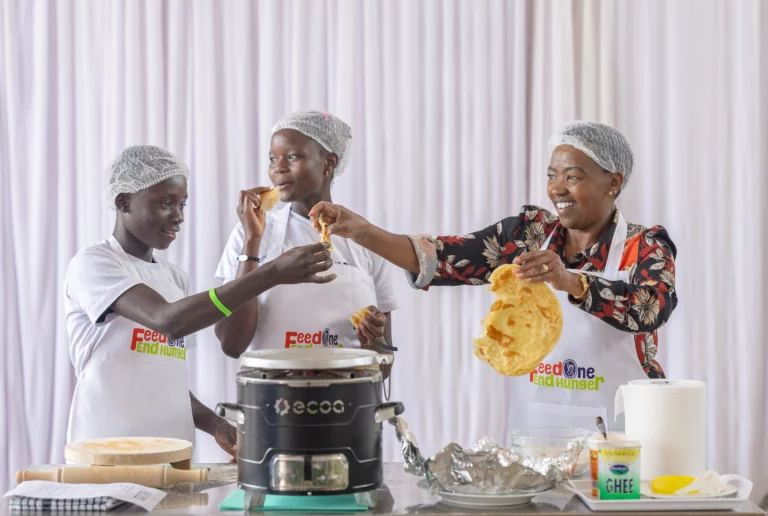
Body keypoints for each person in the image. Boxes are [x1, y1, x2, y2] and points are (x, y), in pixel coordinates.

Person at [309, 121, 678, 431]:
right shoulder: (528, 234)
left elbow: (649, 308)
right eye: (552, 176)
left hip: (619, 440)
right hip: (537, 433)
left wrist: (569, 280)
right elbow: (445, 256)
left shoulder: (645, 245)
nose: (557, 189)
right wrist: (361, 231)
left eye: (573, 176)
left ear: (613, 182)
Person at [64, 145, 333, 458]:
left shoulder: (174, 277)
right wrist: (270, 273)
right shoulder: (94, 264)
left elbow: (164, 377)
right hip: (106, 454)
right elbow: (168, 321)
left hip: (172, 452)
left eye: (182, 204)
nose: (178, 216)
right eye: (165, 203)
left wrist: (216, 424)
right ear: (123, 202)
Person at [214, 111, 398, 374]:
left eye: (292, 157)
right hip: (274, 401)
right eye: (272, 159)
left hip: (346, 402)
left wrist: (373, 339)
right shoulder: (252, 232)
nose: (278, 167)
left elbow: (383, 368)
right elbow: (231, 345)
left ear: (329, 162)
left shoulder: (366, 240)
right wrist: (252, 243)